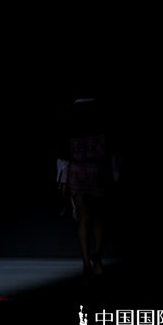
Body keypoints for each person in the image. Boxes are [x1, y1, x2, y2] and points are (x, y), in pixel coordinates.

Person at [56, 96, 115, 278]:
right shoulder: (101, 117)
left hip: (82, 172)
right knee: (97, 218)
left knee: (85, 218)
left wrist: (62, 179)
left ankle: (88, 262)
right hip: (96, 171)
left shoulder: (72, 119)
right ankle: (95, 261)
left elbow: (63, 154)